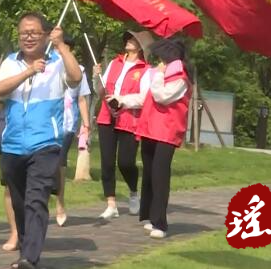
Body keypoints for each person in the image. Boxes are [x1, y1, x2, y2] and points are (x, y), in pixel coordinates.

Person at [0, 12, 82, 269]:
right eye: (24, 33)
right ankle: (25, 248)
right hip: (12, 145)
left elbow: (76, 78)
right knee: (20, 203)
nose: (28, 37)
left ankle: (30, 258)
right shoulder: (11, 61)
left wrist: (62, 46)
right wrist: (29, 71)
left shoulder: (57, 62)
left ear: (45, 35)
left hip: (45, 143)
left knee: (36, 199)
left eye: (34, 33)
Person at [92, 30, 153, 219]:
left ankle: (134, 191)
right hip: (106, 117)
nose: (129, 41)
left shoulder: (146, 70)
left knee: (126, 162)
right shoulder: (114, 63)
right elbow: (101, 90)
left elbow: (143, 98)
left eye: (134, 39)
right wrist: (96, 77)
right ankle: (111, 203)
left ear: (142, 46)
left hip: (129, 119)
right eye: (128, 38)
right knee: (107, 162)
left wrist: (121, 100)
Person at [135, 39, 190, 239]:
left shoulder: (180, 78)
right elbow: (145, 98)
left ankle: (160, 222)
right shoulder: (162, 74)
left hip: (167, 131)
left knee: (159, 175)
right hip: (150, 129)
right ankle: (149, 216)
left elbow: (162, 96)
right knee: (149, 173)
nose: (159, 63)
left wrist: (157, 75)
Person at [53, 37, 91, 227]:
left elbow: (82, 99)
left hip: (66, 125)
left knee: (59, 164)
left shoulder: (79, 71)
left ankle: (60, 203)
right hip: (45, 122)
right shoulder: (47, 65)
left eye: (64, 48)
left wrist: (86, 123)